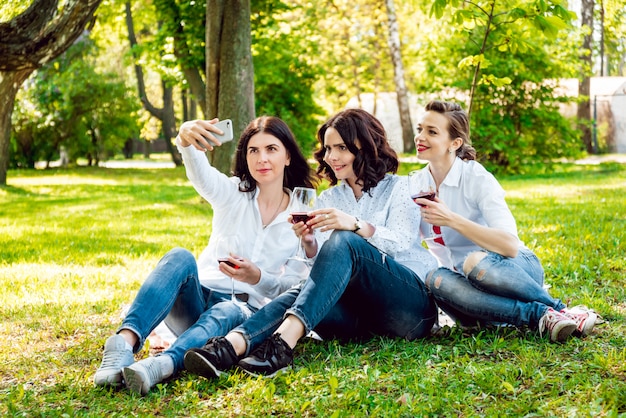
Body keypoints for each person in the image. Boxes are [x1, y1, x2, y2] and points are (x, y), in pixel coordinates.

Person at [183, 108, 438, 378]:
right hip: (357, 321)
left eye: (341, 147)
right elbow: (326, 274)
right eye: (328, 148)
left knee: (344, 240)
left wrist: (354, 224)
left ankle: (282, 345)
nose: (331, 156)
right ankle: (232, 346)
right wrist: (308, 243)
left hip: (407, 311)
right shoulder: (329, 200)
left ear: (364, 146)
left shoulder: (400, 187)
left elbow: (400, 240)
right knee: (303, 289)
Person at [93, 116, 316, 395]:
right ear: (245, 158)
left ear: (287, 157)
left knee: (229, 308)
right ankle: (121, 346)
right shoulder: (232, 193)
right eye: (253, 150)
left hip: (240, 314)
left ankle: (161, 365)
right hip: (197, 300)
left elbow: (292, 288)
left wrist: (257, 277)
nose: (262, 158)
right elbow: (200, 173)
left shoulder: (302, 212)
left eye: (271, 149)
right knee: (179, 256)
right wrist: (185, 138)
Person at [409, 100, 598, 342]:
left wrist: (452, 220)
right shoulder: (414, 184)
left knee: (473, 261)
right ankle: (542, 315)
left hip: (511, 272)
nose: (420, 137)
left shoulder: (476, 178)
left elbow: (509, 245)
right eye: (420, 129)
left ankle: (558, 309)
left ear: (454, 143)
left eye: (432, 131)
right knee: (436, 278)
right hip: (468, 295)